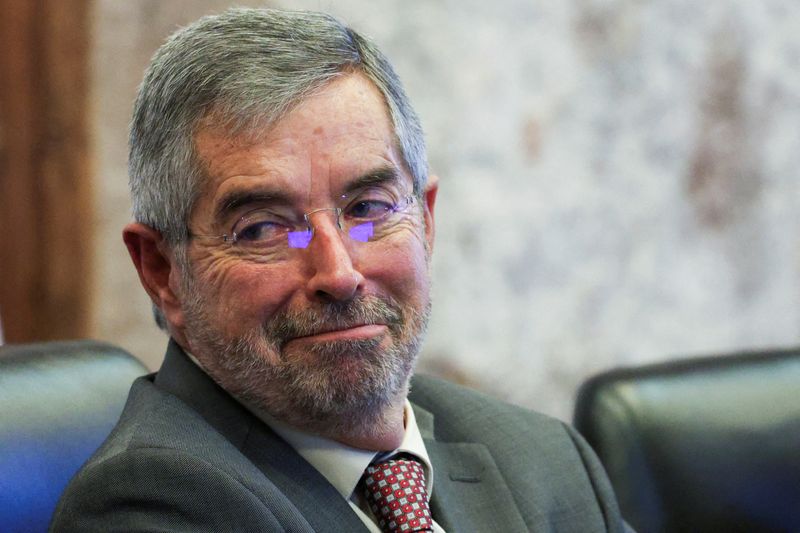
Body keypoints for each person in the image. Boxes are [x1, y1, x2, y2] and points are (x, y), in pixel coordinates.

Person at [51, 8, 629, 532]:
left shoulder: (545, 458)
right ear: (163, 271)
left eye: (367, 209)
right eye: (264, 227)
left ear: (425, 224)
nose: (339, 272)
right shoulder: (147, 506)